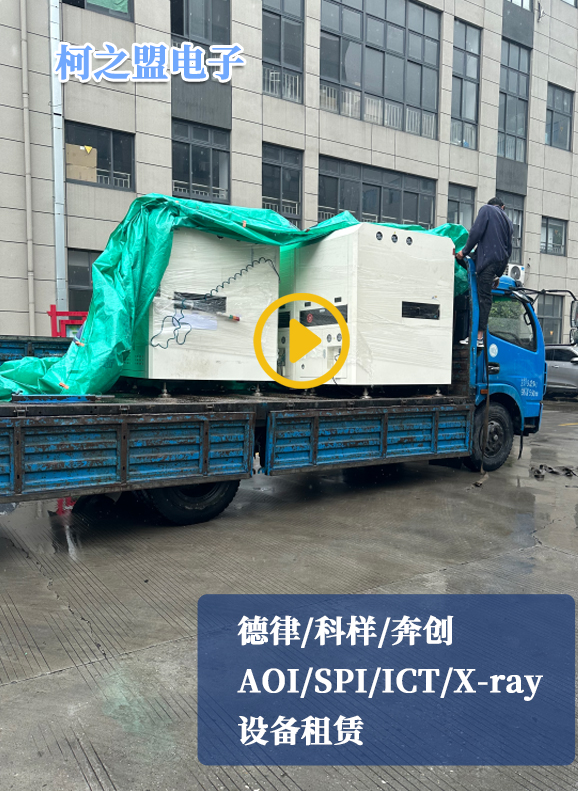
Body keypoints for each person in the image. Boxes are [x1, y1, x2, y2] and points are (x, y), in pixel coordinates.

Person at [456, 197, 514, 348]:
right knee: (485, 295)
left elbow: (476, 232)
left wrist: (463, 251)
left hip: (487, 260)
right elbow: (509, 249)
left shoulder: (487, 209)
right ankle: (478, 335)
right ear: (502, 207)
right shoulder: (508, 221)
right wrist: (498, 274)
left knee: (483, 298)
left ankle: (478, 336)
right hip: (497, 262)